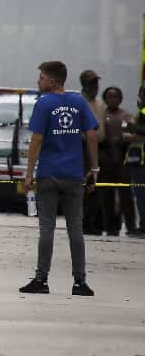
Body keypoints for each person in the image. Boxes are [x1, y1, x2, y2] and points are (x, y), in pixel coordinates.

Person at [21, 61, 99, 296]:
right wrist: (94, 169)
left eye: (42, 78)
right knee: (76, 228)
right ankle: (80, 282)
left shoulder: (44, 104)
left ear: (52, 81)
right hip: (74, 175)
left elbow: (36, 140)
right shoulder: (79, 102)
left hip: (49, 175)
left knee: (47, 228)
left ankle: (41, 279)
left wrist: (29, 174)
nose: (38, 81)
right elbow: (92, 135)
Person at [99, 86, 137, 235]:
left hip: (122, 161)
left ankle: (131, 226)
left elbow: (134, 133)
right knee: (106, 196)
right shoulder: (101, 115)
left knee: (125, 196)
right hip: (105, 161)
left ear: (120, 99)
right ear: (105, 99)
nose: (112, 99)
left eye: (115, 96)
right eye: (109, 96)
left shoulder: (126, 116)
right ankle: (109, 226)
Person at [79, 69, 106, 235]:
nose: (95, 86)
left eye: (96, 82)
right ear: (84, 84)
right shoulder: (78, 102)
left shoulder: (100, 104)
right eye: (91, 82)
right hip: (82, 149)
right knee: (84, 186)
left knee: (97, 186)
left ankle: (94, 222)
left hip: (99, 148)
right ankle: (82, 222)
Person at [125, 85, 145, 238]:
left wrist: (131, 127)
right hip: (136, 159)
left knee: (141, 194)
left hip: (141, 161)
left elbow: (141, 133)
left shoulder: (143, 113)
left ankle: (144, 227)